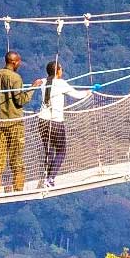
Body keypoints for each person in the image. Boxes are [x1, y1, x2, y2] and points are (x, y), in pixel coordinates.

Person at [0, 50, 42, 194]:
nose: (19, 64)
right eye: (19, 62)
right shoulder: (16, 78)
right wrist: (33, 87)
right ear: (14, 62)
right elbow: (21, 100)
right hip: (13, 121)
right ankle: (18, 185)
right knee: (16, 153)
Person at [36, 60, 91, 189]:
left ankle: (46, 177)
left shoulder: (43, 82)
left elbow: (40, 82)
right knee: (61, 151)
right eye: (61, 69)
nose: (62, 71)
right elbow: (77, 95)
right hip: (56, 122)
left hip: (42, 121)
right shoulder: (61, 84)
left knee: (48, 150)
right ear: (58, 71)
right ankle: (50, 179)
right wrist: (89, 91)